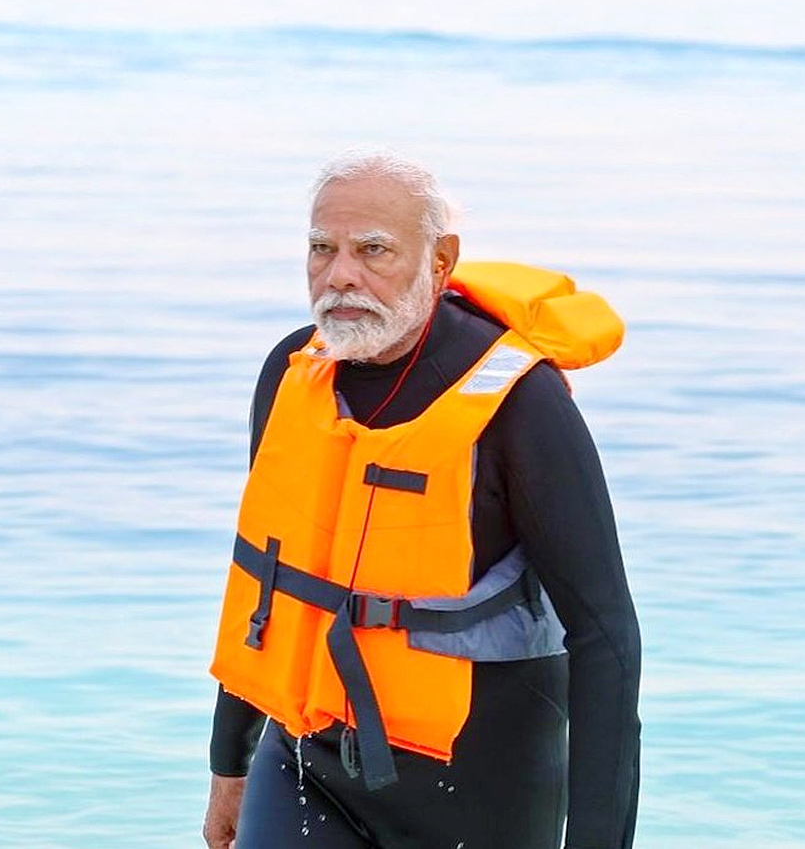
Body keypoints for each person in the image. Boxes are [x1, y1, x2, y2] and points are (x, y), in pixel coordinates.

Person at [203, 152, 641, 849]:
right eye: (323, 248)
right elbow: (270, 576)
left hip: (480, 793)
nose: (339, 274)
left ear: (441, 261)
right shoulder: (292, 377)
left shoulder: (522, 410)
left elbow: (607, 638)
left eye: (372, 250)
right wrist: (229, 763)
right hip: (304, 767)